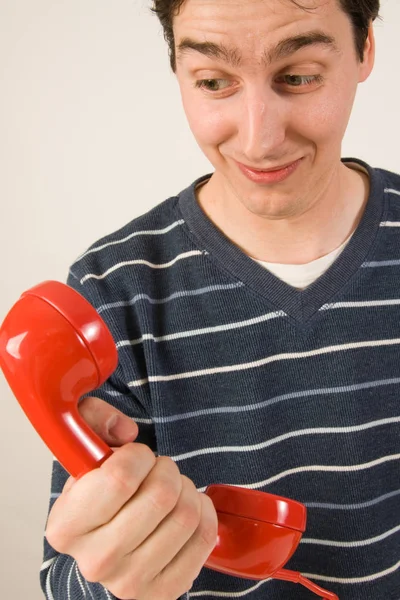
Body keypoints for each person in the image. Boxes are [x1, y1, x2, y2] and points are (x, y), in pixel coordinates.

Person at [40, 0, 400, 598]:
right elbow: (65, 582)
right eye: (213, 82)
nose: (259, 139)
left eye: (300, 76)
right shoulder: (111, 294)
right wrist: (111, 578)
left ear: (365, 49)